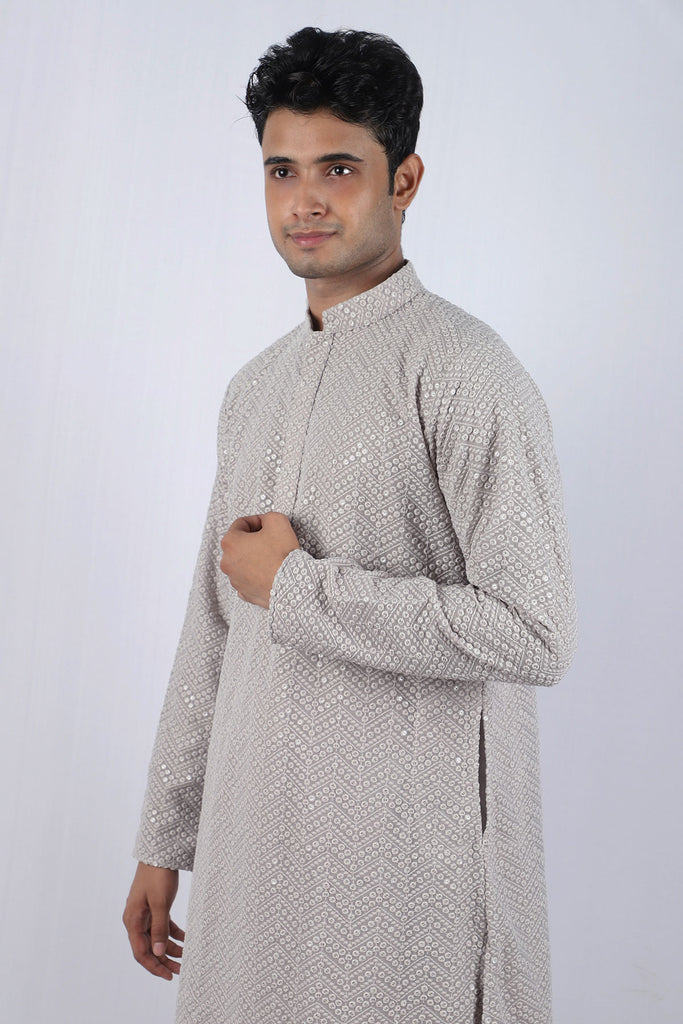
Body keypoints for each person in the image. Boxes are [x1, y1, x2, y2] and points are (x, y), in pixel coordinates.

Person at [123, 26, 577, 1024]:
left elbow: (534, 631)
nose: (305, 200)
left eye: (338, 167)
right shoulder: (255, 388)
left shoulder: (463, 371)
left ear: (403, 179)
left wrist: (298, 589)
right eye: (281, 171)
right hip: (252, 854)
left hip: (411, 873)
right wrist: (165, 836)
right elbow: (213, 627)